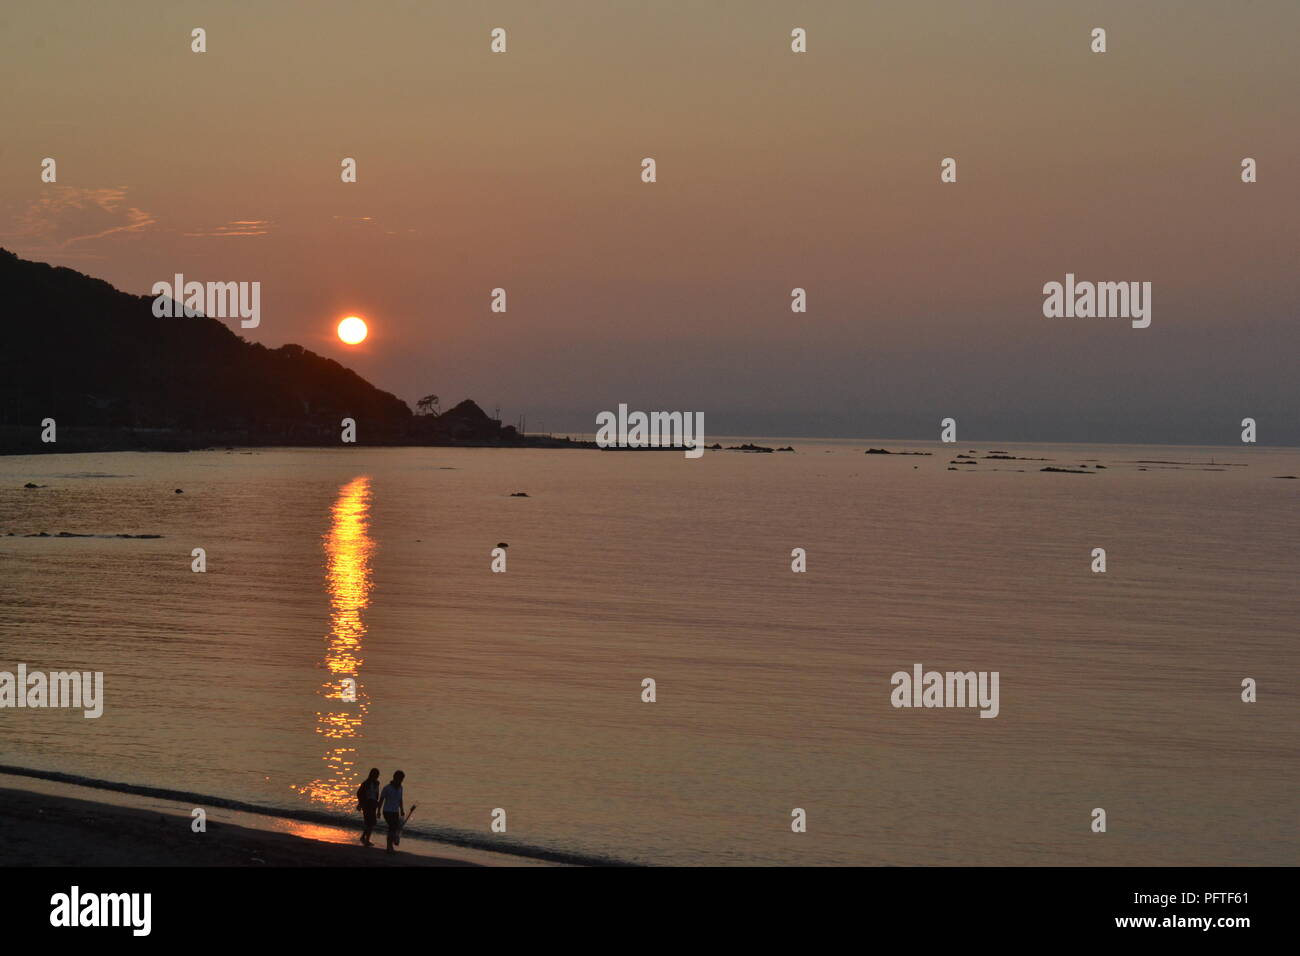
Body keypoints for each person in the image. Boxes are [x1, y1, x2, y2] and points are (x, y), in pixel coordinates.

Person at [379, 770, 406, 854]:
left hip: (395, 811)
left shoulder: (401, 788)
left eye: (402, 779)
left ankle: (390, 846)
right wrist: (378, 811)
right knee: (392, 827)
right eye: (400, 779)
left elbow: (400, 799)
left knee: (393, 829)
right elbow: (381, 800)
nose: (401, 781)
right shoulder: (387, 788)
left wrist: (401, 809)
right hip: (387, 811)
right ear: (395, 778)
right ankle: (389, 846)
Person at [356, 768, 381, 847]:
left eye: (377, 775)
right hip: (367, 803)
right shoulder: (366, 783)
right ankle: (366, 840)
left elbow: (376, 794)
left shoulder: (377, 783)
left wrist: (377, 802)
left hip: (373, 803)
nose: (376, 776)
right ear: (371, 775)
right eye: (375, 775)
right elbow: (359, 793)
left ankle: (364, 837)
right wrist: (361, 803)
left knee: (371, 823)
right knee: (370, 822)